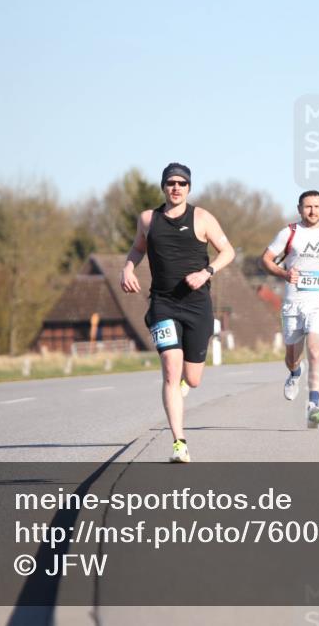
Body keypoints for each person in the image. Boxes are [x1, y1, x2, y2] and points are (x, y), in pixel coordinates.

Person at [120, 162, 235, 463]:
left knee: (193, 378)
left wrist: (206, 272)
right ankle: (179, 442)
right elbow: (137, 248)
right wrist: (127, 268)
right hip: (163, 303)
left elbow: (229, 252)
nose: (176, 187)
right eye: (170, 182)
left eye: (181, 183)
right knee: (171, 369)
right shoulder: (148, 219)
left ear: (189, 188)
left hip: (197, 304)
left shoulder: (202, 218)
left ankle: (186, 383)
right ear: (163, 186)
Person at [261, 190, 319, 429]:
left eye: (317, 206)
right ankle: (295, 373)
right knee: (292, 357)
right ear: (299, 209)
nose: (313, 211)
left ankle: (313, 405)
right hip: (293, 304)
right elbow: (265, 259)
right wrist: (285, 273)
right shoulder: (288, 233)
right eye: (308, 207)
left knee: (315, 351)